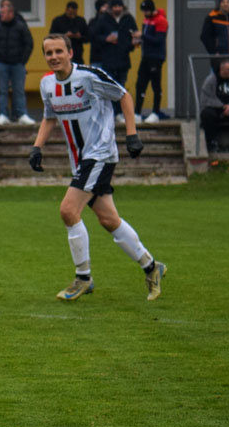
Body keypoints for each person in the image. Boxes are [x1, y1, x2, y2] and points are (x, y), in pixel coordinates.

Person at [29, 34, 164, 302]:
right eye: (49, 53)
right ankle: (152, 267)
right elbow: (49, 117)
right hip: (80, 160)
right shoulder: (47, 84)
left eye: (59, 51)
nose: (54, 57)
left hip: (100, 154)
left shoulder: (89, 77)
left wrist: (132, 134)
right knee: (108, 219)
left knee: (68, 210)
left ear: (70, 53)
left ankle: (83, 278)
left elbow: (124, 96)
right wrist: (37, 147)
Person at [0, 0, 35, 125]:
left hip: (17, 64)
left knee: (19, 90)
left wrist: (22, 60)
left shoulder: (21, 27)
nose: (1, 15)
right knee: (2, 90)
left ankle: (21, 114)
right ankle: (3, 115)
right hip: (2, 64)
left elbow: (29, 43)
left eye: (3, 12)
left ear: (10, 13)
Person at [90, 0, 136, 120]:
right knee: (109, 87)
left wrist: (131, 44)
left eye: (119, 6)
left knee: (121, 87)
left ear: (122, 7)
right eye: (114, 6)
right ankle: (110, 113)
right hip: (108, 60)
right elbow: (94, 36)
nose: (117, 9)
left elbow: (134, 35)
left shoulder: (128, 18)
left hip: (123, 59)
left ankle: (120, 113)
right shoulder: (104, 19)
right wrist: (106, 39)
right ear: (111, 8)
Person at [134, 0, 168, 122]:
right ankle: (137, 112)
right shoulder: (147, 20)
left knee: (155, 85)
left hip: (156, 57)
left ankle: (156, 112)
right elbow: (147, 38)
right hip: (146, 56)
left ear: (151, 9)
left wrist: (142, 36)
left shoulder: (161, 21)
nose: (144, 13)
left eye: (146, 11)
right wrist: (139, 40)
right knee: (140, 84)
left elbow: (158, 40)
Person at [48, 0, 90, 65]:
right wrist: (64, 36)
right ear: (66, 10)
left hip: (77, 53)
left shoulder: (80, 21)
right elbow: (51, 36)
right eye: (71, 13)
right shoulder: (58, 21)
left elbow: (88, 38)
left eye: (74, 13)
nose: (72, 15)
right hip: (61, 52)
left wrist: (79, 37)